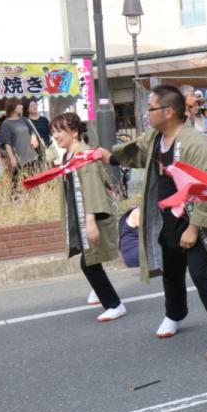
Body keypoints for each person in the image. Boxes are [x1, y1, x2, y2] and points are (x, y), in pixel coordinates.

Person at [98, 84, 207, 359]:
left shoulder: (194, 144)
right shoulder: (156, 137)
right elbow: (136, 152)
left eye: (151, 108)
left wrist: (194, 228)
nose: (147, 113)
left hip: (194, 219)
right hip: (168, 216)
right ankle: (175, 313)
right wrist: (109, 156)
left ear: (168, 112)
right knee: (172, 271)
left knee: (202, 274)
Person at [50, 113, 126, 323]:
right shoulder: (70, 154)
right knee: (90, 257)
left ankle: (114, 304)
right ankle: (98, 290)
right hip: (81, 212)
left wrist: (90, 221)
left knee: (88, 262)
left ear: (74, 132)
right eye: (53, 131)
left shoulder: (84, 155)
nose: (55, 136)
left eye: (59, 131)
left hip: (91, 214)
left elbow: (92, 190)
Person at [0, 98, 41, 194]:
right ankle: (14, 200)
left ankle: (34, 200)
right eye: (19, 104)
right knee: (15, 182)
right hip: (17, 158)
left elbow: (32, 131)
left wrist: (33, 137)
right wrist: (12, 158)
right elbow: (7, 143)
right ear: (13, 107)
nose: (21, 106)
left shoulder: (25, 120)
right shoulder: (6, 123)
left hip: (30, 155)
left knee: (33, 181)